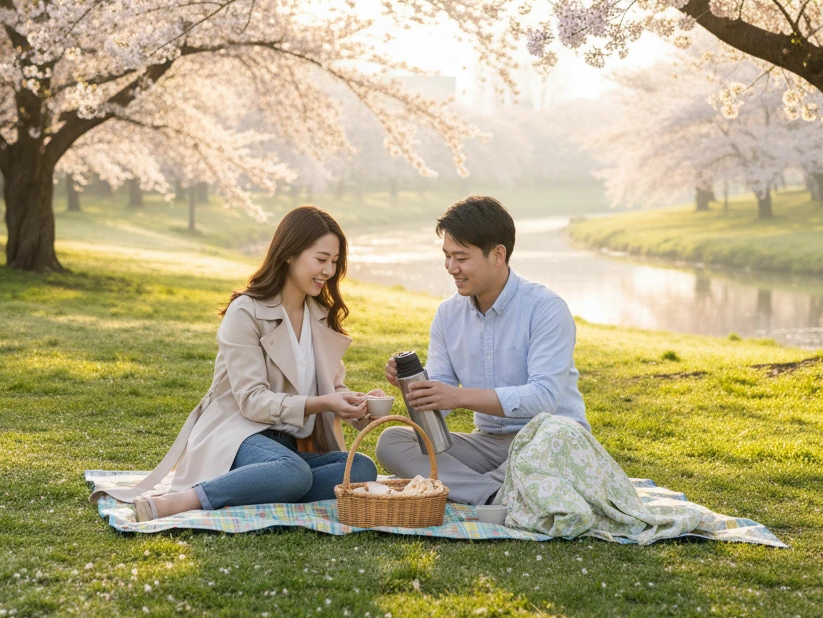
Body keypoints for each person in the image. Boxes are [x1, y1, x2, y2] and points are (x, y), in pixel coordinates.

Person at [89, 206, 378, 520]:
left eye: (335, 262)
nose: (329, 271)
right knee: (293, 473)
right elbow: (252, 402)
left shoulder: (320, 317)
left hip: (289, 446)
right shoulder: (246, 311)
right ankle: (186, 500)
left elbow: (332, 390)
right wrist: (324, 402)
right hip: (237, 434)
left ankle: (262, 486)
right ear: (290, 254)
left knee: (360, 468)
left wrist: (362, 406)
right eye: (321, 260)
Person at [375, 196, 589, 506]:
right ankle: (492, 494)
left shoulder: (545, 309)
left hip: (549, 440)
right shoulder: (448, 315)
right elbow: (441, 405)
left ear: (498, 255)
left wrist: (460, 396)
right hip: (487, 445)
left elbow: (544, 396)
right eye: (447, 256)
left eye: (460, 257)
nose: (451, 268)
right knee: (393, 442)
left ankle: (483, 487)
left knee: (553, 450)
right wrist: (415, 387)